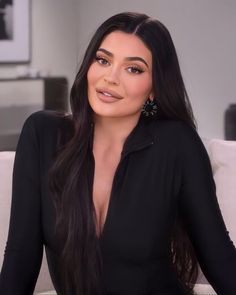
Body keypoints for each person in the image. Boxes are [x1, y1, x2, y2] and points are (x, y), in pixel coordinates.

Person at [0, 11, 236, 295]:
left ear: (154, 89)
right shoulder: (43, 134)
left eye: (133, 69)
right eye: (103, 60)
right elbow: (19, 259)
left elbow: (219, 258)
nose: (110, 78)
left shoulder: (177, 144)